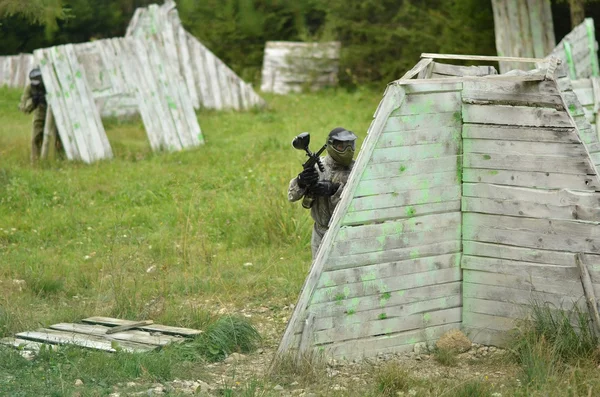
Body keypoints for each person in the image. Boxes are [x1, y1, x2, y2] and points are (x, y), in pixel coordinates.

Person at [288, 127, 358, 258]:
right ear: (331, 146)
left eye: (351, 145)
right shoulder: (317, 167)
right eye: (342, 146)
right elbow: (292, 196)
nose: (348, 150)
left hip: (349, 233)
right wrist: (301, 181)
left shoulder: (357, 170)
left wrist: (335, 189)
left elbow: (360, 200)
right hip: (321, 233)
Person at [19, 67, 63, 162]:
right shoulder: (30, 88)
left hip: (56, 111)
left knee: (60, 137)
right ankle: (35, 162)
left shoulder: (51, 83)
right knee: (36, 138)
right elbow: (23, 107)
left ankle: (62, 159)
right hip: (40, 111)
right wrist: (34, 101)